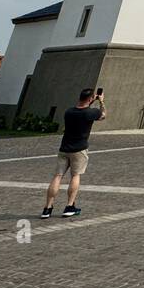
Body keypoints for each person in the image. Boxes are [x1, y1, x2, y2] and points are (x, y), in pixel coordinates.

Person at [42, 88, 106, 219]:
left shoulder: (69, 112)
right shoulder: (90, 113)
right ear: (90, 99)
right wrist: (101, 101)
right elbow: (103, 115)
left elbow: (81, 108)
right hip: (79, 149)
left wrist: (90, 100)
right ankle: (69, 206)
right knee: (75, 176)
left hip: (64, 148)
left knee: (57, 176)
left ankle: (47, 208)